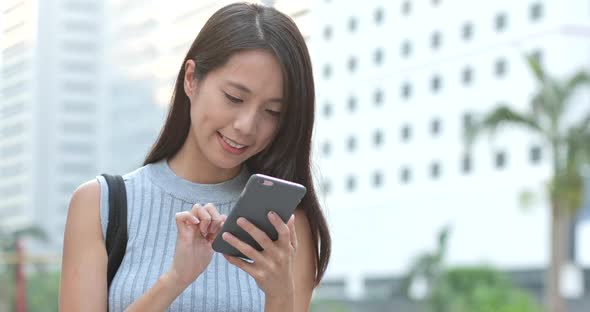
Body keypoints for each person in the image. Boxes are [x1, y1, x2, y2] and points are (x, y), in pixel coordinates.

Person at [59, 2, 331, 311]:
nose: (246, 126)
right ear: (191, 78)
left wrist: (279, 296)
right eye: (234, 97)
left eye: (273, 112)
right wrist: (175, 279)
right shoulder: (100, 205)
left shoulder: (288, 225)